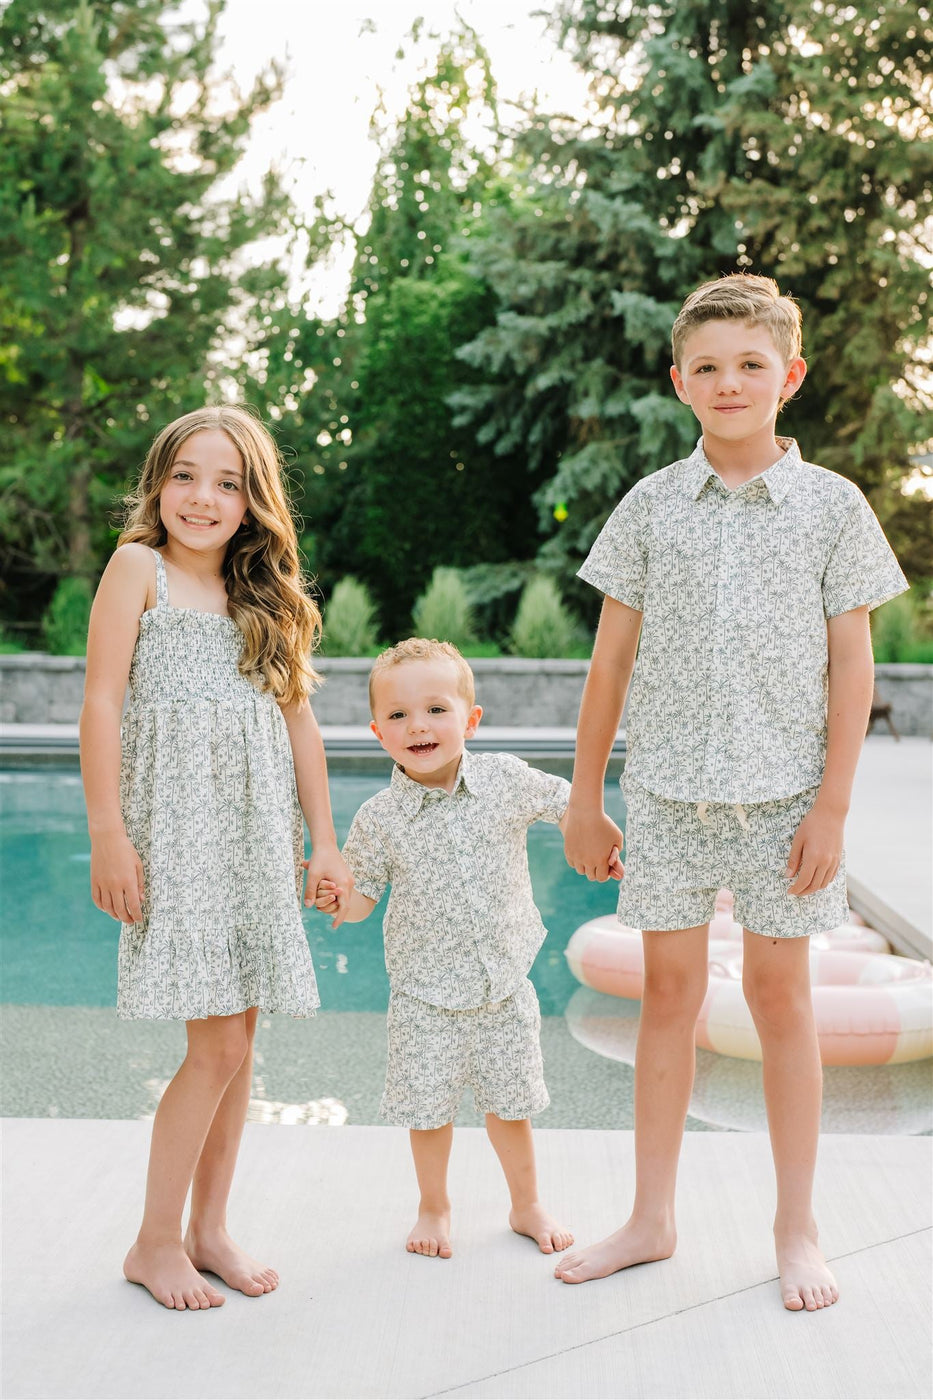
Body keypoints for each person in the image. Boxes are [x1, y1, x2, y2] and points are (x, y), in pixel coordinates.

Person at [555, 274, 908, 1310]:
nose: (729, 380)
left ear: (789, 377)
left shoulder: (834, 507)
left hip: (786, 803)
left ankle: (797, 1228)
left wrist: (834, 805)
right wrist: (587, 792)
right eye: (707, 365)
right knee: (666, 1000)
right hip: (665, 798)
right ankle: (651, 1217)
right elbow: (609, 662)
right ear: (679, 381)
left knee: (780, 1001)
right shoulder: (651, 504)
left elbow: (857, 667)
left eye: (751, 363)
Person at [80, 405, 352, 1311]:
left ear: (252, 501)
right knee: (219, 1043)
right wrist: (108, 833)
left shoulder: (261, 597)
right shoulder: (138, 570)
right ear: (159, 483)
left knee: (241, 1042)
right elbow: (103, 705)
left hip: (253, 839)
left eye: (228, 482)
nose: (204, 497)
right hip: (178, 836)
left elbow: (299, 722)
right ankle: (153, 1241)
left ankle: (208, 1230)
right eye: (187, 476)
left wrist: (323, 840)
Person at [315, 638, 590, 1260]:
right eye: (399, 715)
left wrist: (592, 835)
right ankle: (434, 1207)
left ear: (470, 719)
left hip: (502, 986)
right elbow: (363, 901)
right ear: (377, 731)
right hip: (423, 995)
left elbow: (568, 805)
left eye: (437, 710)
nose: (419, 726)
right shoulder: (380, 817)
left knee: (510, 1107)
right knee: (428, 1112)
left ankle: (526, 1204)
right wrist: (341, 899)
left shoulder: (504, 779)